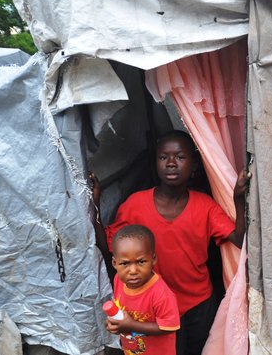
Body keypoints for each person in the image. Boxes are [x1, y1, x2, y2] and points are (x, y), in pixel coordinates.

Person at [98, 130, 249, 355]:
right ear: (155, 162)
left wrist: (237, 198)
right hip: (153, 309)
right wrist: (94, 206)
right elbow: (109, 246)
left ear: (194, 163)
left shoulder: (204, 205)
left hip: (198, 304)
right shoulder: (135, 204)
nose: (171, 163)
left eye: (180, 157)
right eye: (163, 157)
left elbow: (238, 239)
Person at [108, 224, 181, 355]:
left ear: (153, 259)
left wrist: (130, 325)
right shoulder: (118, 280)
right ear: (114, 263)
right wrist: (113, 324)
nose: (133, 271)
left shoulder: (160, 293)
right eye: (125, 263)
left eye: (141, 262)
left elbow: (169, 327)